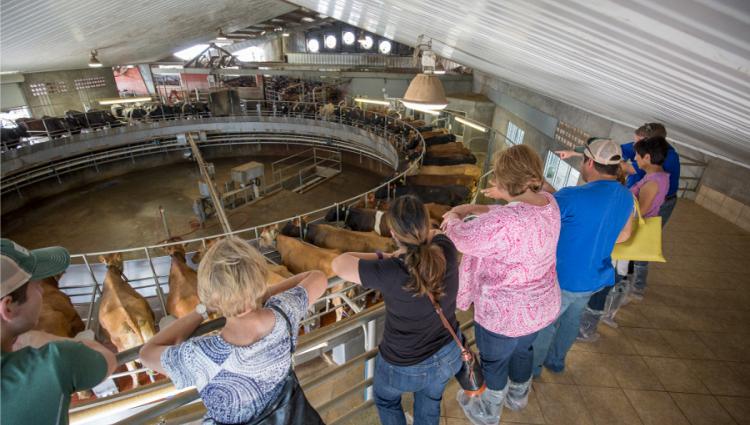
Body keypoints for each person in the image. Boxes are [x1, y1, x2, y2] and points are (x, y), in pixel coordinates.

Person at [140, 237, 327, 424]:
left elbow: (146, 354)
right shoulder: (284, 313)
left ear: (210, 295)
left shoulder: (200, 355)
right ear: (259, 278)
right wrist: (258, 294)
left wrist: (203, 310)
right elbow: (317, 277)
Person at [441, 144, 562, 425]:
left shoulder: (503, 221)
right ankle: (518, 397)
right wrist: (495, 200)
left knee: (494, 362)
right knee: (523, 351)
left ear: (505, 182)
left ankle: (489, 411)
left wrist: (452, 217)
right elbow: (515, 209)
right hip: (540, 307)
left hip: (504, 314)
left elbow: (462, 238)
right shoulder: (549, 202)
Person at [332, 195, 462, 425]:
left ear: (392, 233)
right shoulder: (447, 250)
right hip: (448, 354)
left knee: (386, 400)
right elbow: (437, 234)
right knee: (430, 400)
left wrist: (385, 256)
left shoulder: (390, 270)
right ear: (425, 225)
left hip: (404, 364)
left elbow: (339, 263)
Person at [532, 139, 634, 377]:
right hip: (594, 276)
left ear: (589, 162)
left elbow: (545, 222)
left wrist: (545, 189)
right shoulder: (626, 196)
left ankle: (532, 370)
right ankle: (555, 362)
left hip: (563, 276)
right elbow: (625, 234)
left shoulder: (571, 195)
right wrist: (597, 239)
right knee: (571, 319)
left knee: (546, 325)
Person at [1, 238, 117, 425]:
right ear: (8, 308)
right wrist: (41, 338)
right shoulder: (54, 360)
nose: (42, 292)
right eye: (38, 287)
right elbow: (107, 358)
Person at [557, 123, 680, 226]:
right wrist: (574, 152)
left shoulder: (657, 175)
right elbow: (610, 153)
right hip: (637, 196)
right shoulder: (653, 167)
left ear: (650, 147)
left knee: (647, 234)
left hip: (657, 204)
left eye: (637, 147)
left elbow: (639, 214)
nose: (634, 148)